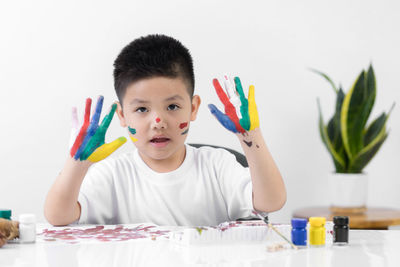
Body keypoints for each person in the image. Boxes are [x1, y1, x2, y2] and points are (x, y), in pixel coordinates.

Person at [44, 34, 286, 226]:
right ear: (122, 115)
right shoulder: (114, 175)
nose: (158, 121)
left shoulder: (217, 165)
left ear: (193, 108)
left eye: (172, 106)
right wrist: (77, 163)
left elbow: (272, 201)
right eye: (141, 110)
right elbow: (58, 216)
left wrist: (250, 137)